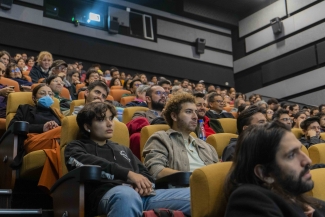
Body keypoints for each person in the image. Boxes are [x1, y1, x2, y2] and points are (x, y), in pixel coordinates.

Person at [65, 102, 191, 216]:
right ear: (87, 126)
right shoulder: (75, 147)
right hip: (107, 196)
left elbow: (145, 173)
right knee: (126, 195)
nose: (110, 123)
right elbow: (91, 164)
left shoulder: (123, 149)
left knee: (197, 196)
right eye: (101, 119)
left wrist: (144, 185)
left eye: (111, 118)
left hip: (142, 196)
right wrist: (128, 175)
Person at [224, 121, 325, 217]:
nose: (307, 160)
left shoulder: (299, 199)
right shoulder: (248, 200)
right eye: (291, 155)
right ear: (264, 173)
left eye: (300, 150)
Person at [143, 92, 219, 179]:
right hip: (180, 188)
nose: (195, 117)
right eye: (189, 112)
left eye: (196, 112)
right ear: (174, 116)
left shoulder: (207, 147)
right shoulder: (160, 139)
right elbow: (155, 170)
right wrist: (194, 180)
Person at [9, 83, 64, 192]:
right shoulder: (24, 109)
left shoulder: (57, 113)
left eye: (50, 94)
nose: (47, 96)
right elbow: (13, 126)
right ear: (34, 98)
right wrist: (42, 127)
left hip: (54, 141)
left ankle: (50, 191)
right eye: (43, 93)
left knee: (58, 147)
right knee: (63, 130)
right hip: (33, 141)